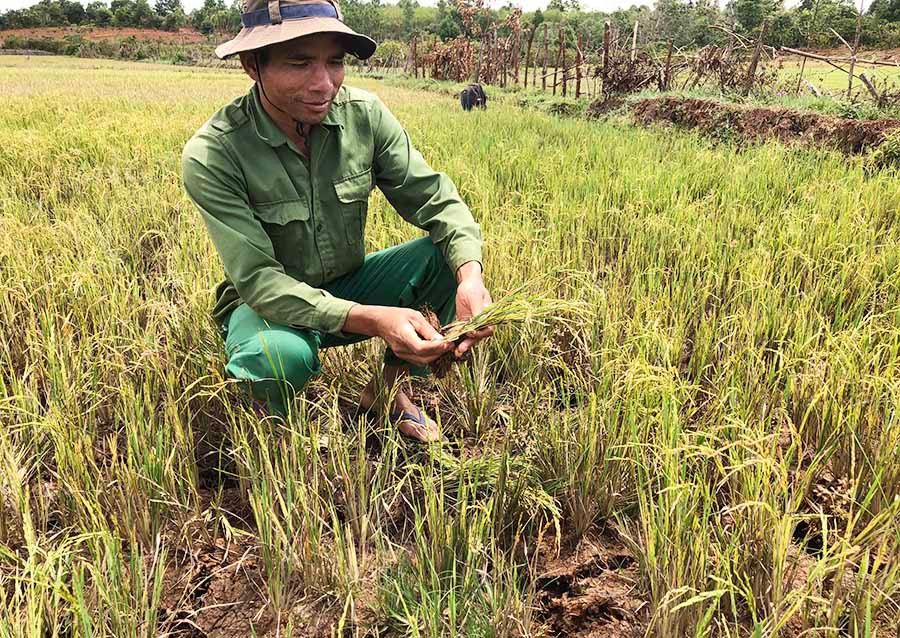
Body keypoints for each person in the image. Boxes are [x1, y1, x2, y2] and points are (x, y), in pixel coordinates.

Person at [181, 0, 493, 442]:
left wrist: (469, 277)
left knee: (447, 256)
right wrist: (374, 319)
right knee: (276, 358)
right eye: (300, 63)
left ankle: (386, 394)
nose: (323, 83)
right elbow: (260, 282)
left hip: (347, 284)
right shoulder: (215, 153)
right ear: (252, 65)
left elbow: (436, 199)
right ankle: (277, 432)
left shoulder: (364, 116)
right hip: (270, 309)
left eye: (335, 62)